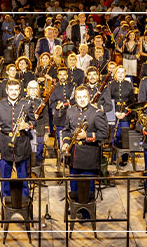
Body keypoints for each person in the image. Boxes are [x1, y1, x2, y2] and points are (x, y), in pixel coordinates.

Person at [61, 85, 108, 219]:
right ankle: (75, 208)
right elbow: (66, 130)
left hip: (88, 156)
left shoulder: (97, 112)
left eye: (84, 97)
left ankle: (87, 213)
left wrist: (86, 136)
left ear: (89, 97)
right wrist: (65, 142)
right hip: (73, 155)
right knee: (74, 184)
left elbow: (104, 134)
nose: (82, 100)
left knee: (87, 187)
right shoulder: (70, 111)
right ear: (75, 98)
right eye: (79, 97)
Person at [0, 79, 35, 197]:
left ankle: (25, 201)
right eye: (11, 90)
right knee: (5, 178)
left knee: (23, 178)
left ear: (20, 90)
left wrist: (27, 125)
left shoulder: (26, 104)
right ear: (6, 91)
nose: (14, 92)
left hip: (22, 144)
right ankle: (5, 202)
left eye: (16, 90)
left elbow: (33, 122)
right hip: (5, 145)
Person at [108, 65, 135, 166]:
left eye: (122, 72)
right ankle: (114, 158)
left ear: (125, 74)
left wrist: (125, 113)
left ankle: (124, 158)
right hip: (113, 113)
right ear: (115, 74)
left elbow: (132, 101)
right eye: (118, 72)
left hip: (125, 114)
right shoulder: (111, 84)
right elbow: (108, 100)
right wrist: (114, 112)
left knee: (124, 137)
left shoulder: (129, 84)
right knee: (114, 136)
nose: (120, 74)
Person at [49, 67, 75, 149]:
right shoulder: (53, 87)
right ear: (58, 76)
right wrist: (57, 104)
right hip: (59, 117)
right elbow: (51, 103)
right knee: (61, 140)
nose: (62, 77)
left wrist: (64, 104)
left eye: (64, 75)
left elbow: (74, 100)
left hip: (72, 116)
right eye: (61, 75)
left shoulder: (72, 86)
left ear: (67, 76)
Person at [25, 80, 49, 166]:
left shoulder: (42, 101)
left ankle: (38, 173)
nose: (33, 90)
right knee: (28, 152)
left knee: (39, 152)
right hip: (28, 132)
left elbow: (46, 117)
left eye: (35, 88)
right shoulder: (23, 101)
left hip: (40, 130)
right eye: (31, 88)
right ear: (28, 89)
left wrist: (46, 133)